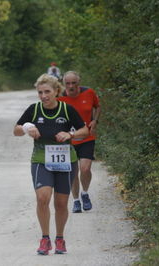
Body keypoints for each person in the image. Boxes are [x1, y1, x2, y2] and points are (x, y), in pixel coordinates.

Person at [13, 74, 88, 255]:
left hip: (65, 161)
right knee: (42, 198)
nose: (43, 96)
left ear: (56, 91)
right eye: (40, 92)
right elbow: (16, 130)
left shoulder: (66, 109)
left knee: (61, 204)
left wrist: (70, 135)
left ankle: (60, 239)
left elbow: (85, 130)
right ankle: (45, 239)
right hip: (41, 160)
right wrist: (26, 128)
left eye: (47, 92)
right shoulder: (34, 109)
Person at [58, 71, 101, 213]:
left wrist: (95, 120)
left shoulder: (89, 93)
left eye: (73, 83)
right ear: (64, 84)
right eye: (67, 83)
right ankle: (76, 200)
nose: (70, 86)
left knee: (85, 168)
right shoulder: (59, 98)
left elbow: (97, 106)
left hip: (86, 137)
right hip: (68, 141)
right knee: (73, 171)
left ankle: (85, 193)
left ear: (79, 82)